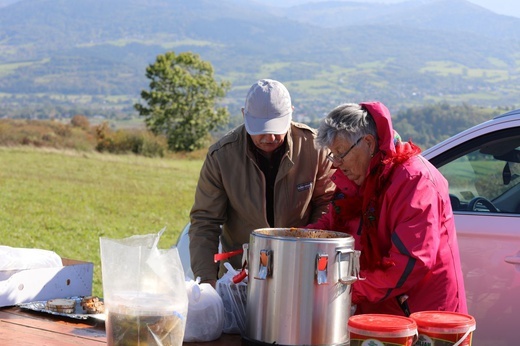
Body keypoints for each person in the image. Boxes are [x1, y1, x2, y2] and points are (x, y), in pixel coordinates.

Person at [307, 101, 467, 315]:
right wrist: (297, 244)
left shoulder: (415, 181)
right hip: (381, 309)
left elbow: (410, 262)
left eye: (340, 153)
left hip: (422, 314)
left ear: (369, 143)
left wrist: (347, 291)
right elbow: (335, 223)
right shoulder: (360, 176)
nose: (337, 163)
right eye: (332, 155)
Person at [189, 79, 335, 287]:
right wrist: (206, 280)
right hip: (240, 275)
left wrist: (309, 252)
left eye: (277, 128)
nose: (270, 137)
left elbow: (327, 204)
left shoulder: (314, 148)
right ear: (244, 116)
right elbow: (205, 222)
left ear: (291, 115)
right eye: (260, 129)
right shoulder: (222, 157)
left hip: (301, 272)